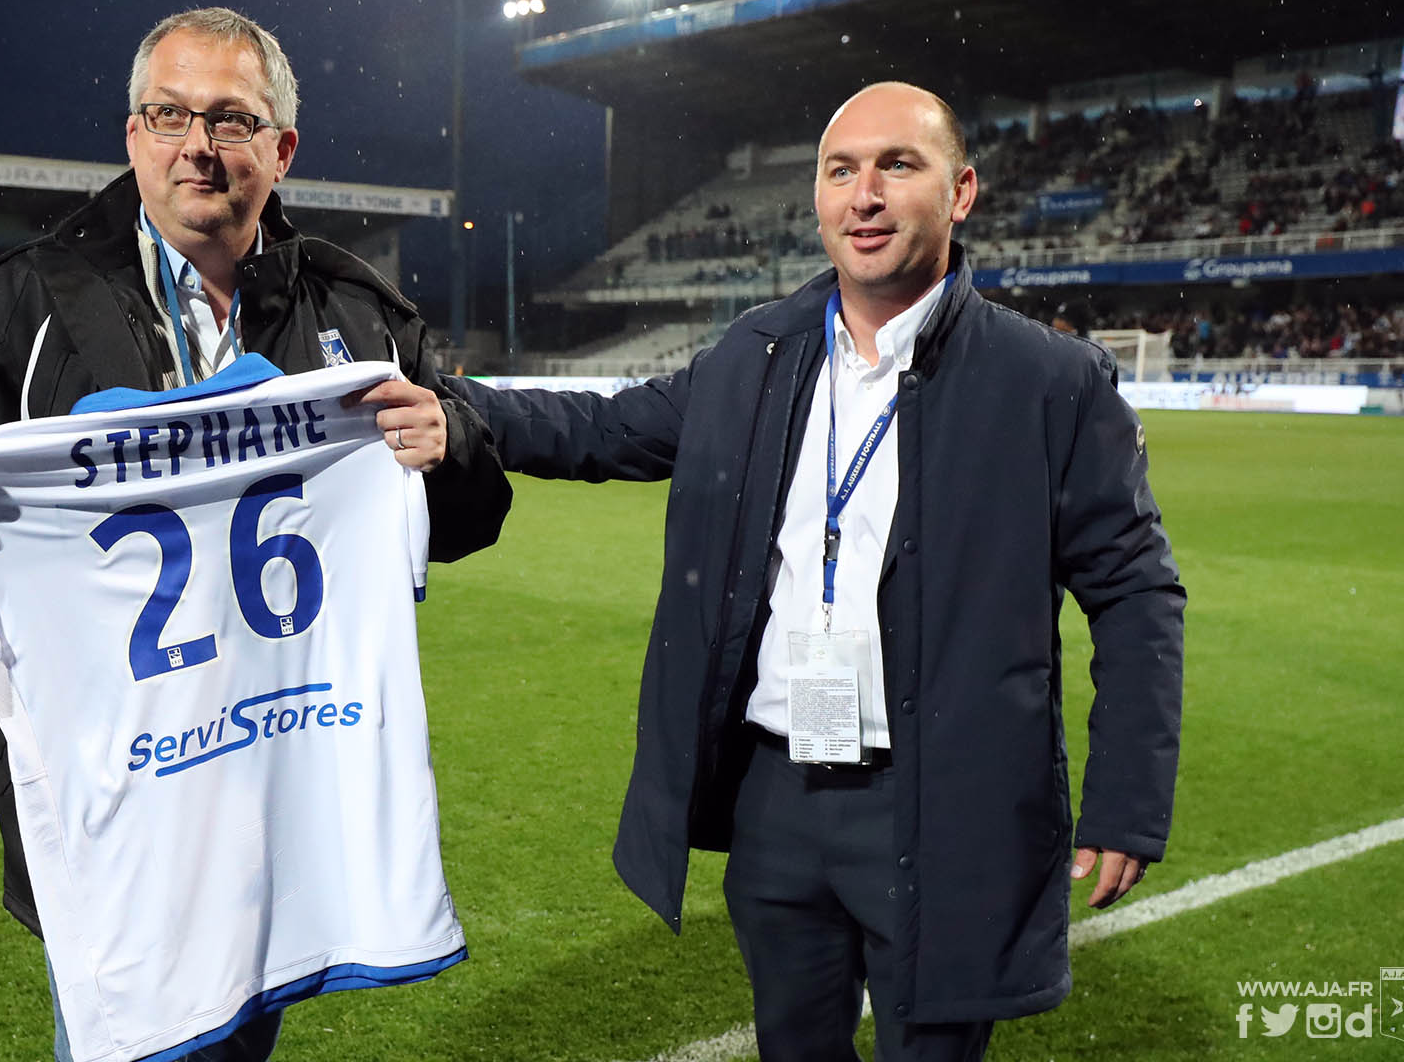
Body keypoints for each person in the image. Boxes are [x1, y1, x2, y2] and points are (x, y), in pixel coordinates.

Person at [444, 82, 1184, 1061]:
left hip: (945, 805)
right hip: (776, 803)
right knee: (793, 1047)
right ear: (819, 202)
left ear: (961, 192)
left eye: (898, 165)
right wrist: (464, 410)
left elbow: (1135, 591)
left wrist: (1128, 797)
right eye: (842, 171)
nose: (865, 194)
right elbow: (607, 426)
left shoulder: (1052, 382)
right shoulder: (757, 356)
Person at [0, 7, 510, 1061]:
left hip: (285, 777)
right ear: (133, 134)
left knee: (244, 1041)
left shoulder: (357, 313)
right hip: (120, 804)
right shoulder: (28, 302)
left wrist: (450, 444)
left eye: (232, 121)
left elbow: (471, 510)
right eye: (168, 114)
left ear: (279, 151)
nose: (199, 145)